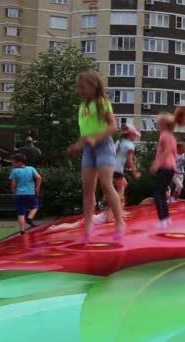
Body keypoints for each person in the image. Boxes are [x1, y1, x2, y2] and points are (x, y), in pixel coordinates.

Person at [68, 71, 125, 242]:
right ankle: (88, 226)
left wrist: (95, 138)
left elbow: (113, 126)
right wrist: (78, 145)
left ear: (93, 86)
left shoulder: (101, 102)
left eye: (83, 87)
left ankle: (120, 222)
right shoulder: (82, 107)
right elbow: (86, 132)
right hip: (88, 149)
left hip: (103, 146)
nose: (80, 91)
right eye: (78, 88)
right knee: (87, 189)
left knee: (106, 185)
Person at [150, 113, 177, 229]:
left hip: (164, 167)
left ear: (164, 124)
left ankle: (162, 220)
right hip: (170, 168)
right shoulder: (172, 136)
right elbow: (174, 153)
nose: (158, 125)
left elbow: (167, 150)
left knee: (158, 194)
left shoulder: (164, 135)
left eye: (159, 123)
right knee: (162, 193)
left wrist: (157, 164)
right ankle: (167, 219)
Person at [9, 153, 42, 234]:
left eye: (13, 162)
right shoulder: (31, 169)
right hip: (31, 193)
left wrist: (14, 194)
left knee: (21, 213)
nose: (12, 164)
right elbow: (39, 178)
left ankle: (22, 231)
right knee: (35, 207)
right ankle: (30, 218)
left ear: (19, 162)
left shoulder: (14, 171)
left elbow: (13, 185)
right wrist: (37, 190)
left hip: (19, 194)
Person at [114, 124, 141, 206]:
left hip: (110, 167)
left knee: (124, 184)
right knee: (121, 188)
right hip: (117, 169)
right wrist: (135, 172)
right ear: (130, 135)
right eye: (134, 135)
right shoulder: (130, 145)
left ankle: (118, 208)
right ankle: (117, 210)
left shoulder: (119, 142)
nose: (135, 137)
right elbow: (130, 161)